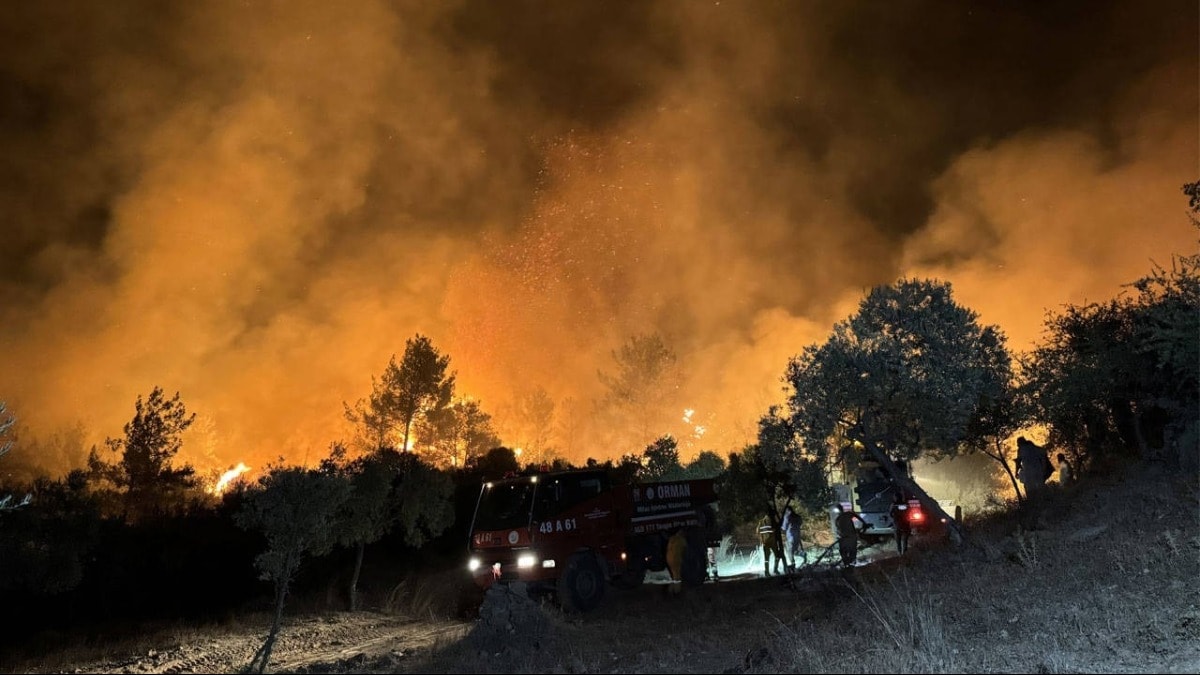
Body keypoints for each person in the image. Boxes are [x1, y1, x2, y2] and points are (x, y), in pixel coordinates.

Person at [781, 505, 806, 570]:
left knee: (789, 550)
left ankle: (793, 564)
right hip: (798, 536)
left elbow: (784, 527)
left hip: (790, 536)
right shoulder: (798, 516)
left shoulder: (787, 516)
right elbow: (800, 523)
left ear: (787, 511)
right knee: (795, 550)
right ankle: (803, 555)